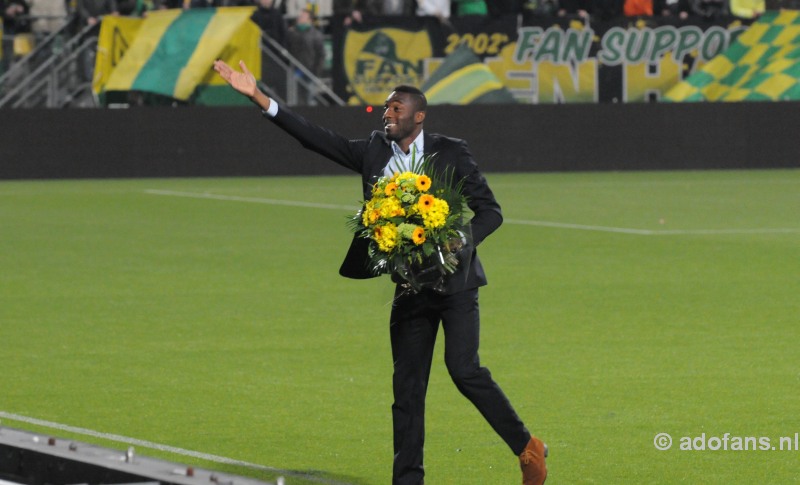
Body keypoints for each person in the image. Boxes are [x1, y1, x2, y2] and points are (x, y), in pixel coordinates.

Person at [212, 59, 549, 485]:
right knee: (407, 389)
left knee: (464, 370)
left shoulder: (450, 151)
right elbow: (315, 138)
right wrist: (259, 97)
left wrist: (459, 240)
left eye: (396, 108)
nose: (387, 113)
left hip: (455, 283)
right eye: (386, 108)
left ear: (418, 116)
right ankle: (407, 480)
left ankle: (527, 447)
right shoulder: (372, 150)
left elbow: (491, 212)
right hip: (409, 287)